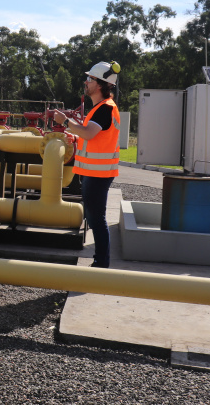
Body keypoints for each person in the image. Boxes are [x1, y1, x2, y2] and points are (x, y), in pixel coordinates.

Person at [53, 60, 121, 269]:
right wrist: (74, 134)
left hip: (98, 174)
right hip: (96, 172)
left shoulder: (104, 109)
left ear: (99, 84)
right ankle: (101, 262)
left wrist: (65, 122)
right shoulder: (101, 108)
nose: (86, 82)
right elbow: (91, 136)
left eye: (89, 79)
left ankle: (101, 264)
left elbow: (89, 133)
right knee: (94, 217)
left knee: (96, 219)